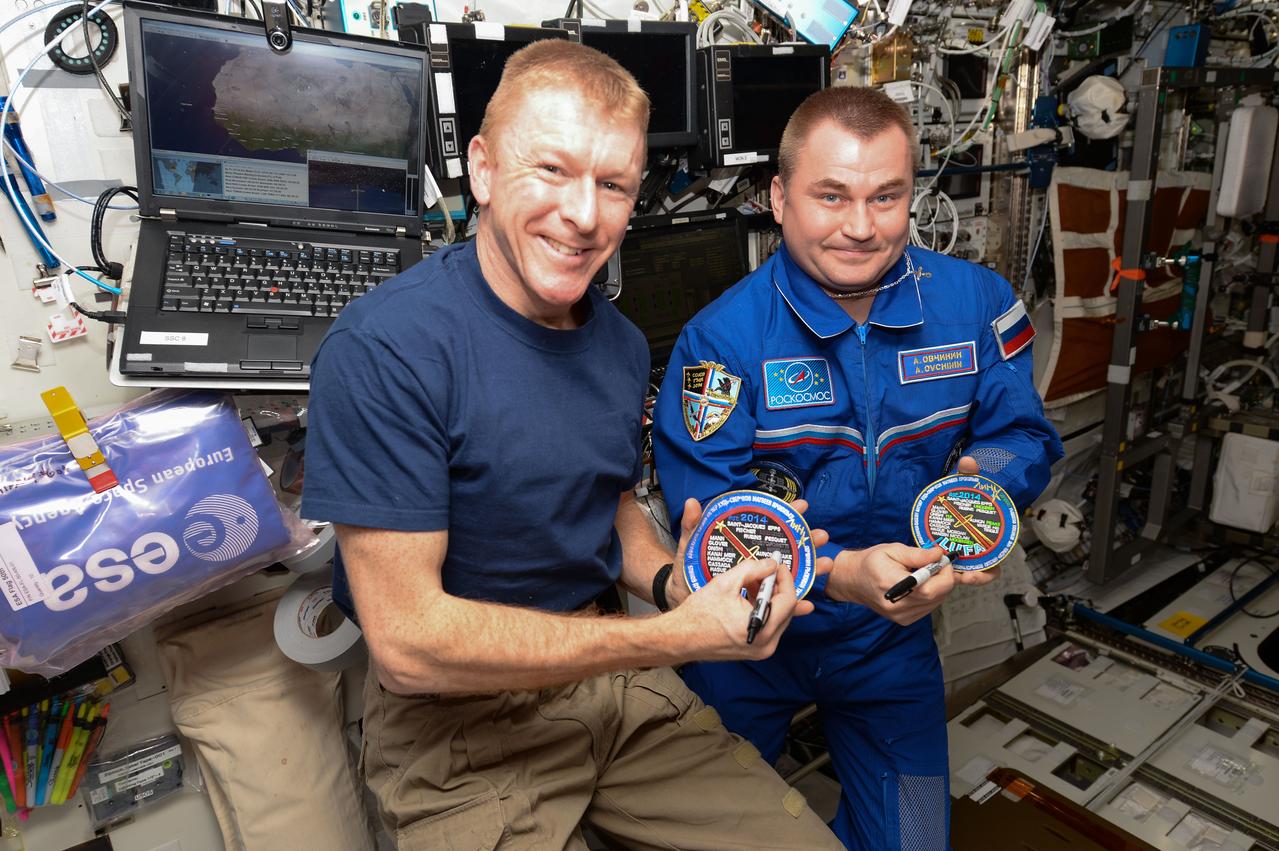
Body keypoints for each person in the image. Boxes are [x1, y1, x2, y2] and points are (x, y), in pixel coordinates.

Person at [301, 40, 849, 850]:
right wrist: (668, 637)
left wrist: (673, 581)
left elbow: (608, 502)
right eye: (551, 170)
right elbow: (409, 645)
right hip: (459, 729)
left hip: (609, 682)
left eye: (613, 184)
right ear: (483, 170)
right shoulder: (386, 349)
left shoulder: (618, 344)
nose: (585, 215)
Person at [652, 86, 1065, 850]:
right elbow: (710, 522)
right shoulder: (722, 341)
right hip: (746, 642)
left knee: (915, 838)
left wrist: (980, 489)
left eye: (885, 196)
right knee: (697, 836)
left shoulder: (976, 305)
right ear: (778, 199)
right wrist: (839, 573)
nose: (860, 226)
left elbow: (1019, 433)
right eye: (830, 195)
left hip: (887, 641)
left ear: (912, 196)